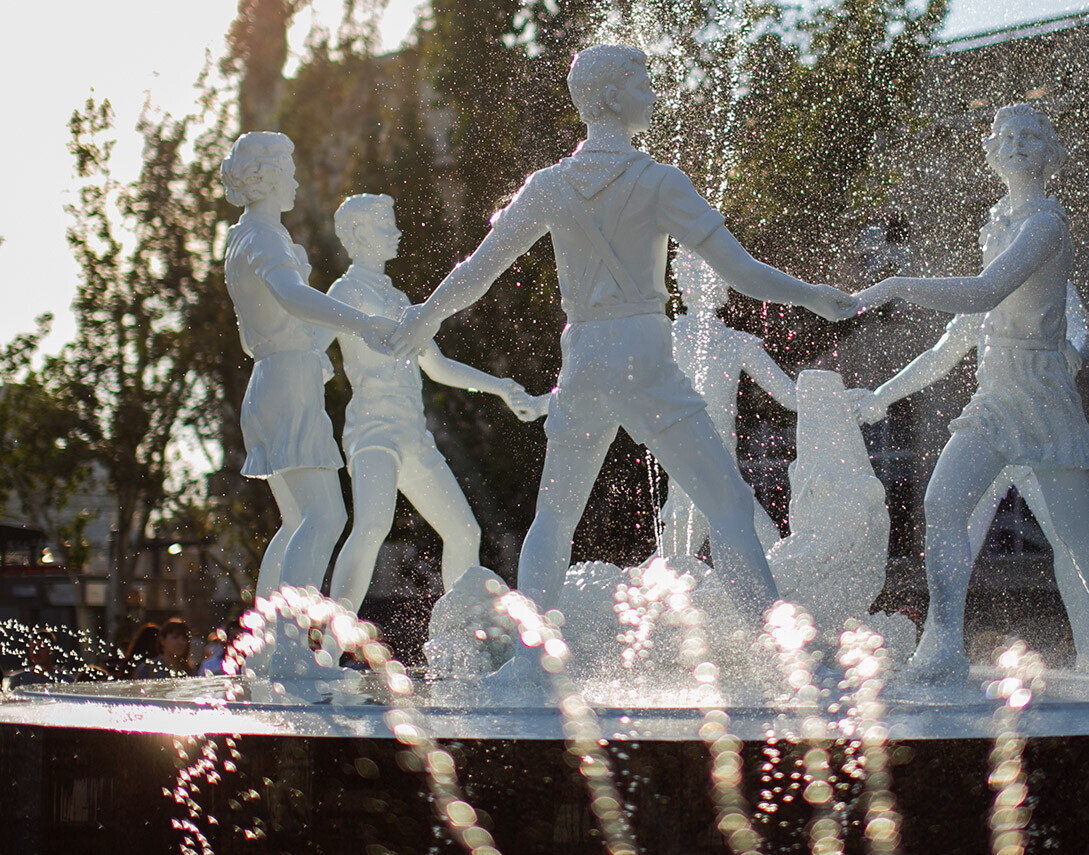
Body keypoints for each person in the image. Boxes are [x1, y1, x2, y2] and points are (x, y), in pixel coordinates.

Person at [389, 45, 860, 680]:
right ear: (610, 95)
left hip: (582, 358)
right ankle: (783, 654)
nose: (653, 91)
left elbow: (477, 272)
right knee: (726, 503)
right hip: (642, 356)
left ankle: (528, 663)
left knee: (554, 515)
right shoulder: (660, 182)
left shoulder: (550, 186)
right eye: (641, 81)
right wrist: (814, 296)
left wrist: (423, 317)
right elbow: (740, 271)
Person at [856, 103, 1089, 682]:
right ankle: (944, 643)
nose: (1017, 143)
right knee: (943, 504)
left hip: (1042, 390)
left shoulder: (1044, 224)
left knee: (1076, 532)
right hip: (995, 393)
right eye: (1005, 136)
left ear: (1052, 153)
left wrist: (897, 284)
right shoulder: (998, 224)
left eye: (1031, 135)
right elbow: (955, 340)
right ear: (990, 152)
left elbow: (984, 293)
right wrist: (883, 393)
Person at [857, 283, 1089, 672]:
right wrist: (882, 395)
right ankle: (941, 642)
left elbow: (1080, 335)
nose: (990, 237)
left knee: (1070, 537)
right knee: (949, 517)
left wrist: (1069, 348)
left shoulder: (1052, 284)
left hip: (1040, 426)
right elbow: (940, 355)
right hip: (991, 423)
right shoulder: (985, 292)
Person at [325, 193, 546, 610]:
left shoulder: (399, 298)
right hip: (374, 432)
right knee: (372, 526)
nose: (397, 232)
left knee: (465, 533)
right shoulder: (345, 292)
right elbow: (313, 342)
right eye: (384, 225)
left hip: (413, 434)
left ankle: (456, 637)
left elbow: (437, 367)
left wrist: (500, 386)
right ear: (356, 233)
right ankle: (331, 647)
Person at [220, 132, 397, 607]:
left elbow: (260, 327)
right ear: (270, 176)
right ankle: (290, 644)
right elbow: (292, 297)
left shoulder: (241, 239)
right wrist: (362, 323)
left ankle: (266, 647)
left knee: (299, 521)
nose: (296, 180)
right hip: (289, 383)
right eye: (290, 170)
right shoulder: (263, 237)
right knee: (325, 518)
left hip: (270, 380)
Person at [659, 251, 798, 556]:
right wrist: (550, 403)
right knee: (680, 553)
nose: (699, 281)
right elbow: (620, 385)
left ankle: (630, 594)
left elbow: (791, 396)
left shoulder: (737, 343)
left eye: (706, 274)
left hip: (721, 457)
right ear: (681, 280)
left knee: (678, 554)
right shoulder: (664, 337)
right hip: (686, 454)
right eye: (691, 273)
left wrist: (830, 398)